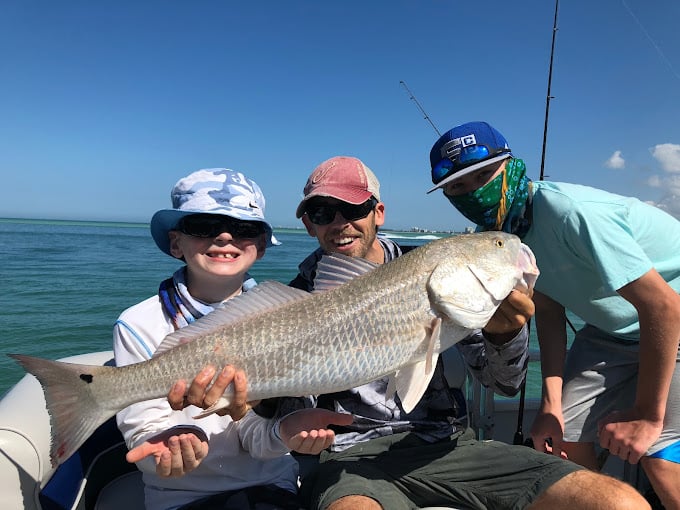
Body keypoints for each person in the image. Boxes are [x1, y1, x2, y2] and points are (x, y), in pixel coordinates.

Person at [172, 156, 650, 510]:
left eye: (352, 208)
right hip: (348, 460)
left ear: (378, 211)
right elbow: (270, 410)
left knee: (618, 502)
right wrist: (228, 408)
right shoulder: (296, 296)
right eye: (323, 213)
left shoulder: (443, 275)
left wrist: (506, 334)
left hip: (449, 446)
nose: (340, 223)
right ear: (307, 224)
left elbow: (504, 384)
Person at [428, 121, 680, 510]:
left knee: (657, 456)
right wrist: (550, 406)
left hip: (670, 319)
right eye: (458, 187)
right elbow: (547, 310)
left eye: (484, 175)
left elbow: (663, 306)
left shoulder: (569, 212)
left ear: (512, 165)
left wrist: (648, 416)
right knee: (562, 437)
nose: (474, 191)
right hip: (610, 331)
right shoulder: (497, 235)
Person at [113, 168, 302, 510]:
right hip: (178, 496)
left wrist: (286, 432)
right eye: (203, 226)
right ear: (176, 243)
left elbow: (261, 437)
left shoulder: (286, 318)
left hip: (272, 484)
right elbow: (142, 428)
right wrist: (162, 451)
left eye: (245, 229)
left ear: (260, 246)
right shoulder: (137, 324)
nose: (226, 237)